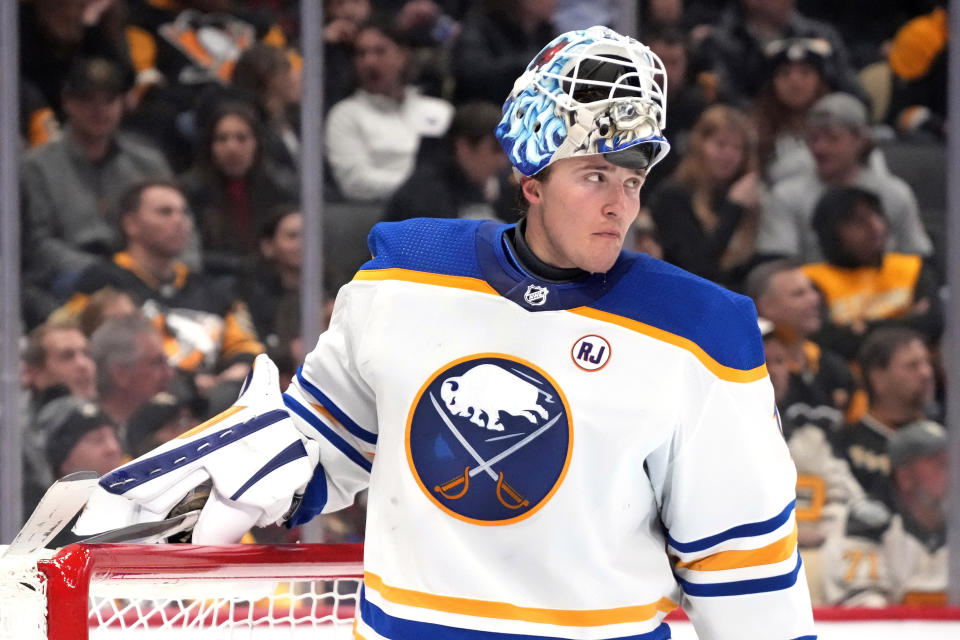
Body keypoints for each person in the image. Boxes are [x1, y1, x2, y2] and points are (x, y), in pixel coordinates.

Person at [77, 26, 815, 639]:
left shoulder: (699, 333)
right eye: (594, 176)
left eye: (633, 179)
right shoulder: (409, 278)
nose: (620, 204)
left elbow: (745, 575)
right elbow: (323, 436)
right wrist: (227, 478)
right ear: (532, 181)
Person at [63, 179, 265, 398]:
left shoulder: (215, 291)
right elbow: (76, 345)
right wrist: (190, 383)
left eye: (184, 213)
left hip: (209, 407)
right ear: (131, 224)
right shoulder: (102, 283)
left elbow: (247, 349)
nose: (179, 221)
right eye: (165, 212)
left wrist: (231, 378)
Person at [20, 56, 176, 300]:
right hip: (71, 283)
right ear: (67, 102)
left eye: (109, 100)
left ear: (122, 103)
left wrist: (181, 269)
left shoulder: (148, 162)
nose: (99, 109)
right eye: (87, 99)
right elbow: (38, 245)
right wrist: (105, 273)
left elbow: (179, 223)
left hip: (146, 276)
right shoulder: (36, 167)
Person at [755, 92, 933, 263]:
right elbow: (775, 264)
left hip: (883, 289)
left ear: (860, 139)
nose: (820, 148)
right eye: (814, 139)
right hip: (813, 289)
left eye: (832, 138)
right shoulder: (786, 195)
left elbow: (918, 257)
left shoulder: (894, 193)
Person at [803, 186, 943, 361]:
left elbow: (932, 325)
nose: (874, 226)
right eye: (857, 221)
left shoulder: (912, 268)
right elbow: (829, 342)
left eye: (877, 215)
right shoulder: (810, 281)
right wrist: (907, 319)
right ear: (831, 233)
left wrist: (863, 327)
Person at [821, 419, 948, 606]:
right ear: (905, 477)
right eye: (935, 461)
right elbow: (867, 615)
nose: (951, 467)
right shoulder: (865, 526)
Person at [325, 17, 453, 202]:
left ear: (403, 55)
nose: (369, 62)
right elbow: (355, 182)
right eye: (361, 54)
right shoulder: (345, 115)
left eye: (380, 51)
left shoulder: (440, 111)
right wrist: (421, 187)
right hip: (384, 215)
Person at [646, 104, 763, 287]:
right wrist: (733, 208)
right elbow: (697, 268)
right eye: (720, 144)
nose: (728, 155)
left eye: (737, 148)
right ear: (699, 145)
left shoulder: (739, 194)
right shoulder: (673, 195)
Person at [179, 101, 299, 275]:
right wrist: (242, 265)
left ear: (257, 143)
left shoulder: (281, 188)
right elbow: (189, 254)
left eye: (241, 138)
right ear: (209, 146)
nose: (232, 148)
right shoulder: (189, 191)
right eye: (222, 139)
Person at [832, 327, 937, 506]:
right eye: (912, 366)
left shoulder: (944, 439)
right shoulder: (842, 446)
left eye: (927, 363)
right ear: (877, 378)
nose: (926, 373)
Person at [382, 101, 515, 223]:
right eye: (496, 150)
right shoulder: (426, 194)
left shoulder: (484, 184)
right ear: (463, 147)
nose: (504, 160)